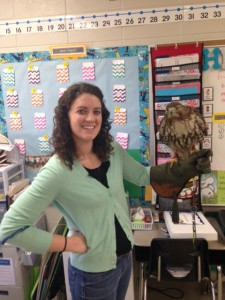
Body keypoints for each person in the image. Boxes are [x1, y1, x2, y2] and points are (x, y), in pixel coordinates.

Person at [0, 82, 212, 300]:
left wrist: (180, 169)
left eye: (97, 112)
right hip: (92, 275)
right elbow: (10, 228)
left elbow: (142, 176)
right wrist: (67, 244)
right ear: (66, 117)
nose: (91, 118)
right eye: (82, 111)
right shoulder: (57, 170)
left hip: (124, 261)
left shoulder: (110, 149)